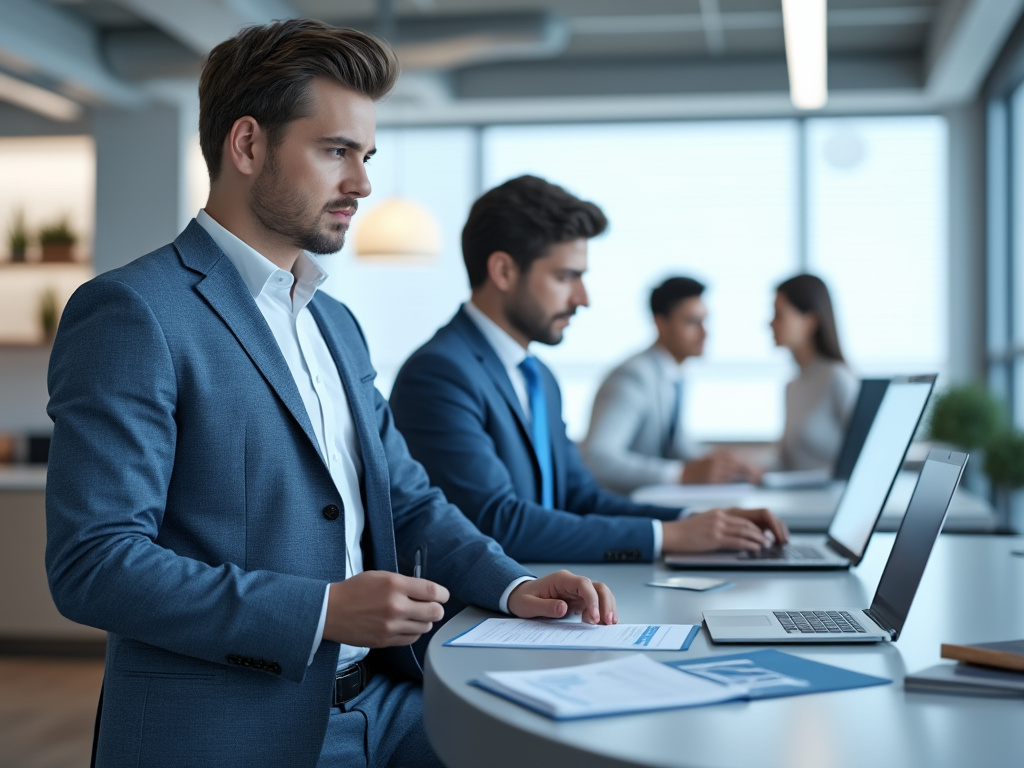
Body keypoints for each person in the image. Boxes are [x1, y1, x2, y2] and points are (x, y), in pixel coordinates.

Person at [44, 21, 616, 768]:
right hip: (229, 729)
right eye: (335, 151)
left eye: (367, 154)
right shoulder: (133, 311)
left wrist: (516, 585)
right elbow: (94, 563)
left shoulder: (337, 325)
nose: (363, 183)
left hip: (391, 703)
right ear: (247, 146)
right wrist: (319, 612)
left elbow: (410, 503)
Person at [389, 175, 788, 564]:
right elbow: (498, 523)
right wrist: (668, 537)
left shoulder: (539, 376)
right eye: (566, 277)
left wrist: (695, 522)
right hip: (472, 616)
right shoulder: (440, 374)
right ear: (504, 271)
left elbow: (581, 498)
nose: (583, 298)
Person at [581, 276, 762, 494]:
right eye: (692, 322)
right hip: (620, 509)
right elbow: (598, 458)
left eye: (705, 321)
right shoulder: (633, 376)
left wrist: (728, 466)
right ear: (660, 323)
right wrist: (680, 474)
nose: (705, 332)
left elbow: (678, 449)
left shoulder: (674, 375)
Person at [770, 273, 859, 471]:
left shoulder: (838, 377)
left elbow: (864, 454)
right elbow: (786, 462)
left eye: (779, 315)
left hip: (830, 499)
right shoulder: (792, 386)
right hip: (799, 498)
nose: (770, 323)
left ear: (810, 321)